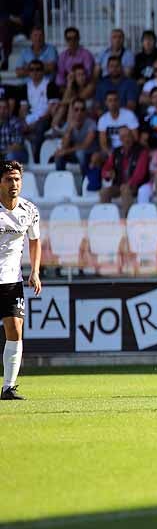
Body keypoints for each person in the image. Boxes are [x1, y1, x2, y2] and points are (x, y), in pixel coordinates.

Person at [0, 161, 41, 401]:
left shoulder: (30, 210)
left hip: (11, 281)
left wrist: (34, 271)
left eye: (17, 179)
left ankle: (8, 387)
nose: (14, 184)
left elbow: (35, 240)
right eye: (8, 179)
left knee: (15, 329)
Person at [99, 126, 148, 213]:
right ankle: (107, 219)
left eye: (128, 136)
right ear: (120, 139)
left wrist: (129, 184)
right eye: (122, 137)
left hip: (136, 186)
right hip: (119, 185)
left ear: (132, 136)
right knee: (104, 192)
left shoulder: (141, 151)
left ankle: (126, 220)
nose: (126, 139)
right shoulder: (116, 152)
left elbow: (140, 174)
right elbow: (106, 168)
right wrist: (108, 174)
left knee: (125, 190)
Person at [0, 0, 36, 66]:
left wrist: (20, 18)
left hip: (22, 25)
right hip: (7, 24)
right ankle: (6, 57)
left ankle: (5, 57)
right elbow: (2, 12)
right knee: (4, 25)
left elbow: (29, 10)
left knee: (4, 26)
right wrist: (11, 18)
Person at [52, 98, 97, 173]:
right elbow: (64, 145)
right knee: (59, 155)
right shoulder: (69, 124)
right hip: (74, 153)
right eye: (76, 109)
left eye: (82, 109)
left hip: (89, 154)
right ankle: (61, 180)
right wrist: (69, 130)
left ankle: (84, 181)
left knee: (80, 153)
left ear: (85, 111)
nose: (79, 112)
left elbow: (85, 145)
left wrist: (66, 151)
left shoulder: (91, 124)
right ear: (72, 111)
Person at [0, 100, 27, 164]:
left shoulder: (15, 122)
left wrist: (3, 152)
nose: (2, 111)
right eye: (0, 108)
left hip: (18, 153)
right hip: (3, 154)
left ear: (8, 110)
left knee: (10, 156)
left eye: (4, 108)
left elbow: (18, 145)